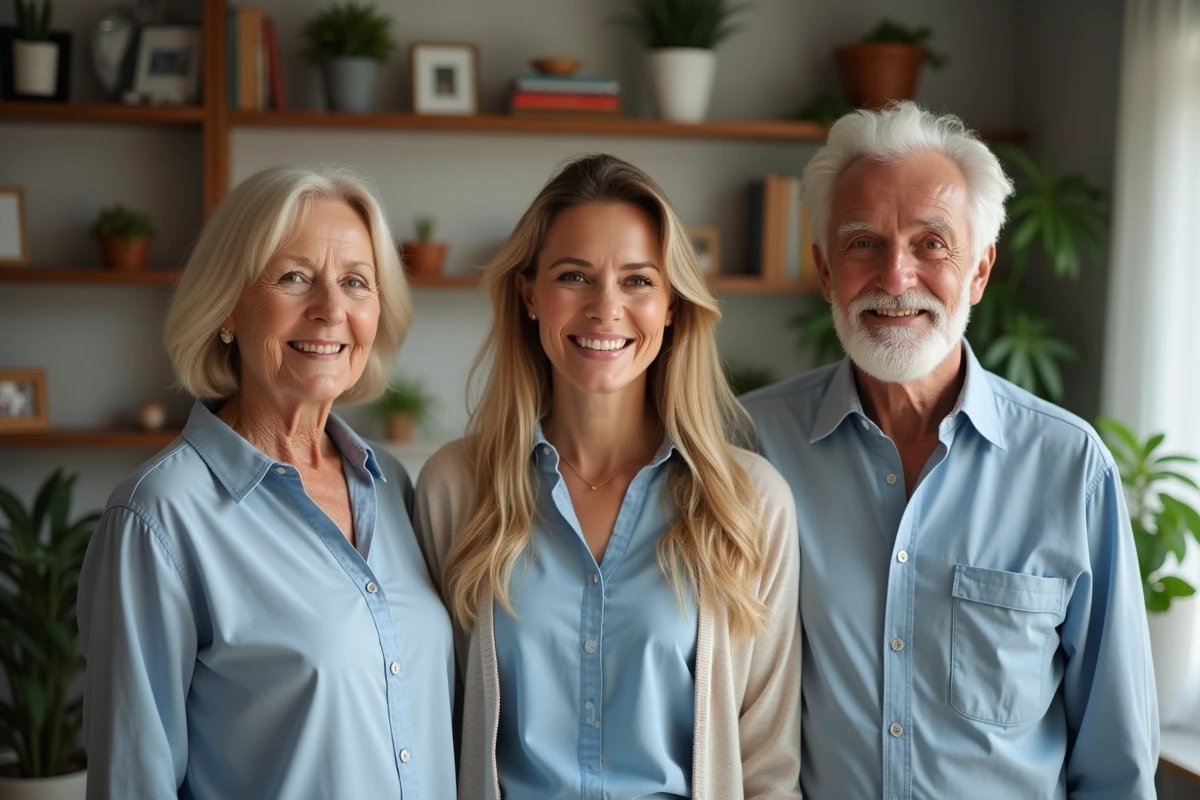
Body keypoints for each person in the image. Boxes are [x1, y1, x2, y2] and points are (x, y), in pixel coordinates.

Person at [742, 101, 1159, 799]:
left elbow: (1117, 764)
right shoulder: (749, 446)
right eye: (862, 243)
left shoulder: (1069, 468)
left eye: (931, 243)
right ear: (823, 270)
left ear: (979, 270)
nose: (896, 277)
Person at [414, 154, 801, 800]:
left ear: (673, 304)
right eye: (574, 276)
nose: (605, 308)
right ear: (529, 294)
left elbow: (766, 766)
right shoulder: (455, 489)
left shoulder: (751, 502)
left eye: (637, 281)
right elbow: (429, 735)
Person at [78, 166, 456, 799]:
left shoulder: (391, 484)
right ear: (228, 304)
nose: (331, 309)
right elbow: (132, 785)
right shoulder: (158, 518)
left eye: (356, 282)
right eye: (294, 277)